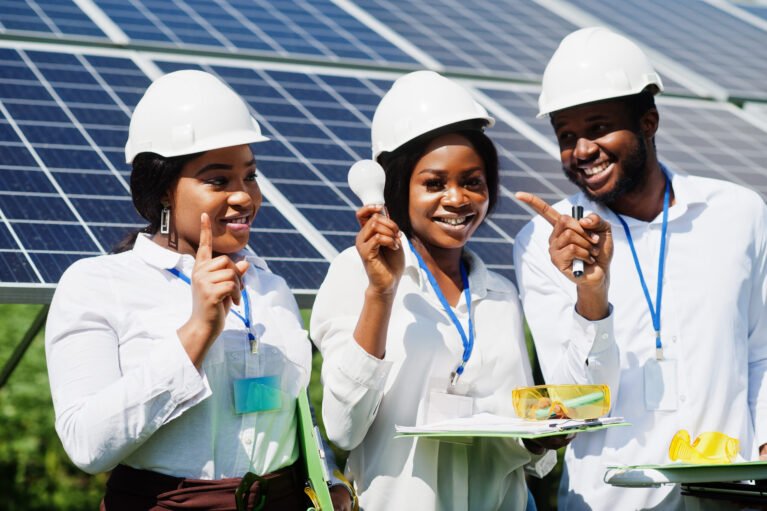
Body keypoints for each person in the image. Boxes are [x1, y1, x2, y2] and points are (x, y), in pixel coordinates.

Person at [45, 70, 352, 510]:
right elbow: (88, 446)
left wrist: (328, 480)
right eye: (218, 180)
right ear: (164, 189)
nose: (244, 196)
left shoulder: (270, 287)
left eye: (250, 176)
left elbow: (290, 414)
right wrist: (197, 330)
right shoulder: (98, 284)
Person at [513, 27, 767, 510]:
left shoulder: (739, 213)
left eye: (598, 126)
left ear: (648, 121)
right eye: (566, 135)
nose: (582, 149)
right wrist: (592, 293)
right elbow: (575, 404)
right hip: (610, 502)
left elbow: (763, 354)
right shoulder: (543, 246)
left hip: (733, 501)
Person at [310, 70, 561, 511]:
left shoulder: (500, 295)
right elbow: (342, 429)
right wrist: (380, 294)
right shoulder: (355, 274)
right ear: (396, 187)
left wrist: (538, 441)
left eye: (473, 181)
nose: (458, 198)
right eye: (434, 183)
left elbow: (518, 449)